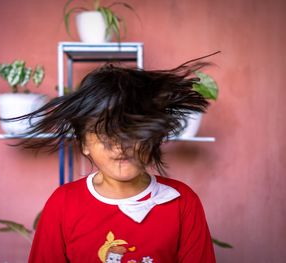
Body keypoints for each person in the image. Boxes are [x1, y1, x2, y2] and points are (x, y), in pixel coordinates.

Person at [20, 57, 217, 262]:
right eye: (105, 131)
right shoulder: (62, 204)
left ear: (154, 136)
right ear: (84, 144)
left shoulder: (182, 202)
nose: (120, 145)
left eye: (131, 130)